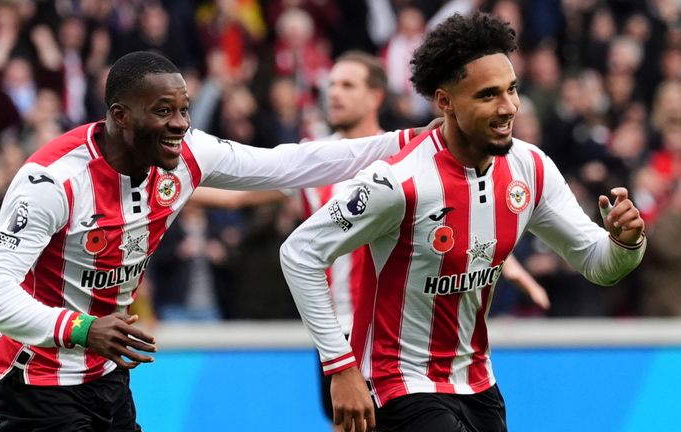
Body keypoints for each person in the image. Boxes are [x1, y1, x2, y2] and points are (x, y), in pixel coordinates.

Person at [0, 51, 413, 432]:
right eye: (163, 111)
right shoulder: (53, 181)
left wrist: (409, 140)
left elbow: (291, 163)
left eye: (184, 110)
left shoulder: (184, 157)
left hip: (104, 375)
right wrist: (80, 328)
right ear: (120, 116)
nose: (179, 124)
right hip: (33, 379)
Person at [280, 12, 646, 432]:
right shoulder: (397, 181)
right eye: (488, 95)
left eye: (511, 90)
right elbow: (299, 253)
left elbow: (599, 265)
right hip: (397, 384)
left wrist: (625, 244)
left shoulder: (530, 168)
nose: (508, 107)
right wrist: (340, 367)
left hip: (478, 384)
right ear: (445, 102)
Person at [192, 50, 549, 429]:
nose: (334, 94)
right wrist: (165, 189)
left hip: (393, 336)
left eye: (347, 85)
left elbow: (455, 222)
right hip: (336, 326)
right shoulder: (318, 163)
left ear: (375, 96)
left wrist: (510, 265)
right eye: (330, 85)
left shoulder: (408, 161)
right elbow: (237, 194)